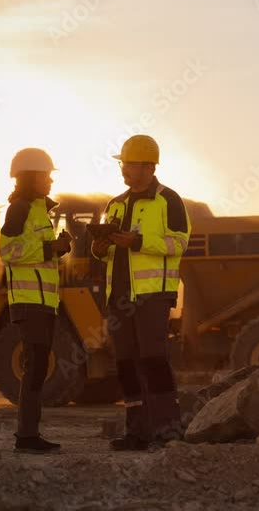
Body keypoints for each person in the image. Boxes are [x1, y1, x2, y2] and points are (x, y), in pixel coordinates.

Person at [92, 134, 191, 451]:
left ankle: (168, 428)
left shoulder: (169, 201)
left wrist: (137, 242)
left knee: (154, 360)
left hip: (152, 297)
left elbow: (179, 243)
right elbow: (108, 254)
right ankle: (137, 431)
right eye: (123, 163)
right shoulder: (115, 204)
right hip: (119, 298)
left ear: (149, 166)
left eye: (130, 163)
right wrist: (100, 248)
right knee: (126, 363)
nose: (124, 168)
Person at [0, 147, 72, 454]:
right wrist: (50, 248)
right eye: (47, 175)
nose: (51, 181)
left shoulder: (41, 210)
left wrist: (58, 247)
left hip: (43, 302)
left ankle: (30, 434)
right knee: (35, 366)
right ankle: (26, 437)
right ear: (32, 177)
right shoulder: (20, 208)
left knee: (39, 366)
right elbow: (8, 251)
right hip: (29, 303)